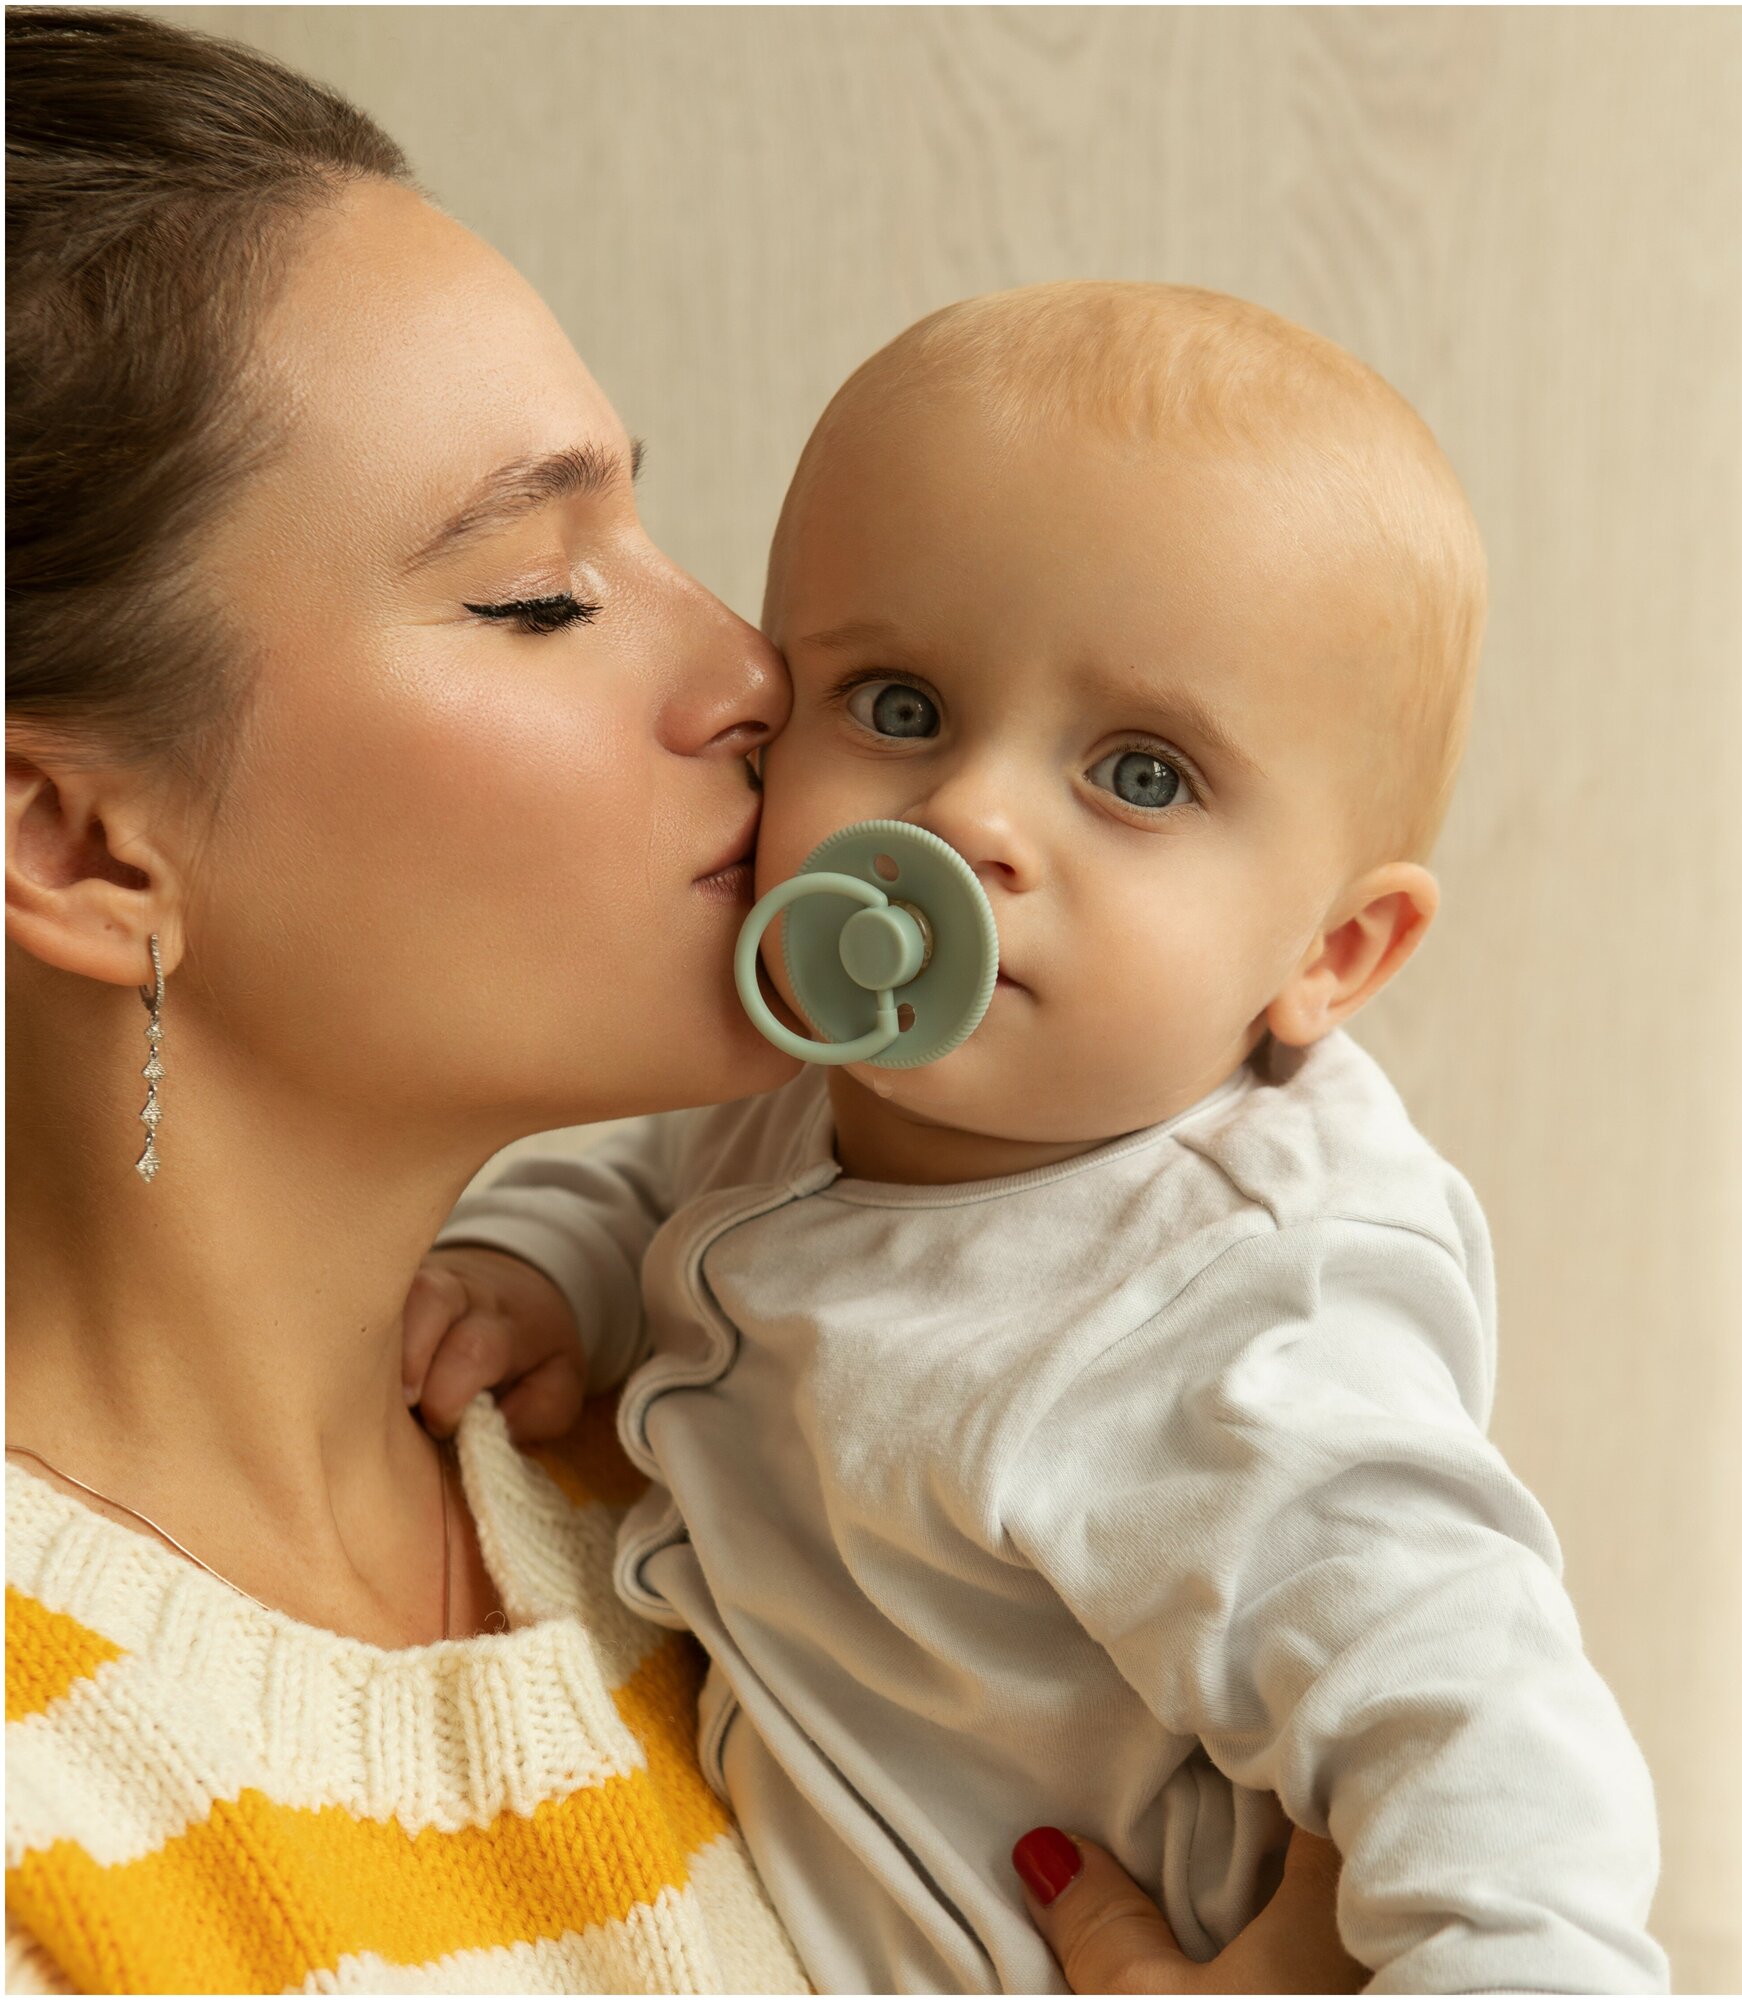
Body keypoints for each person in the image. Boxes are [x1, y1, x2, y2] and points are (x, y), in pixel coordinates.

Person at [2, 13, 1361, 1993]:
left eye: (650, 530)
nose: (753, 673)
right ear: (76, 844)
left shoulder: (752, 1494)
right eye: (539, 593)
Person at [409, 283, 1671, 1994]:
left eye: (1142, 776)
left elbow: (1498, 1752)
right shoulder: (815, 1087)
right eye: (900, 707)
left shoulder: (1241, 1319)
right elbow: (660, 1186)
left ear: (1331, 951)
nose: (970, 815)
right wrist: (539, 1269)